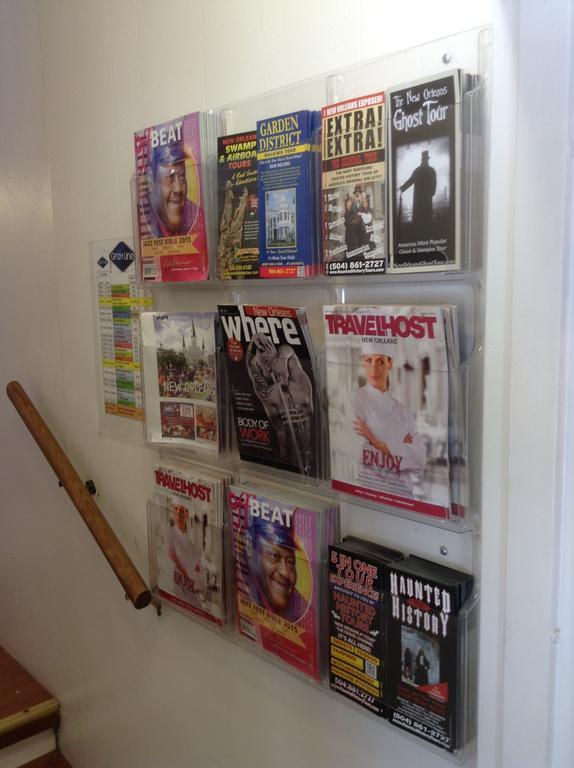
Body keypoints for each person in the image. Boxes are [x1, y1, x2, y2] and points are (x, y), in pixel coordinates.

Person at [349, 338, 425, 495]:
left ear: (390, 363)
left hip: (404, 493)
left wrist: (377, 442)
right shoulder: (356, 399)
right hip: (371, 489)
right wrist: (401, 447)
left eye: (380, 362)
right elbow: (359, 451)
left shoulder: (402, 410)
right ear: (363, 362)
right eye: (369, 360)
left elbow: (419, 457)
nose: (374, 369)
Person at [246, 333, 314, 473]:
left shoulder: (300, 385)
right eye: (261, 363)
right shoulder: (267, 394)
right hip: (286, 463)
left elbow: (287, 350)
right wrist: (255, 340)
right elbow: (251, 365)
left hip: (309, 461)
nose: (266, 365)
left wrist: (281, 359)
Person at [246, 517, 307, 622]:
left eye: (290, 562)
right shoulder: (242, 592)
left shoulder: (303, 613)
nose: (285, 573)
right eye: (274, 555)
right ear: (249, 548)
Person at [147, 140, 194, 237]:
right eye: (170, 177)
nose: (178, 189)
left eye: (182, 176)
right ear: (151, 181)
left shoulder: (197, 220)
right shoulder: (146, 225)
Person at [168, 503, 206, 600]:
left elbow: (199, 573)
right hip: (176, 592)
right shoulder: (169, 534)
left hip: (191, 595)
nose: (178, 513)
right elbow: (170, 560)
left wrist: (178, 562)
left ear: (186, 514)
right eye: (175, 509)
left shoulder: (193, 546)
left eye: (181, 510)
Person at [399, 149, 437, 234]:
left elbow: (410, 180)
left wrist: (402, 188)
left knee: (419, 214)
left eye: (425, 160)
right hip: (426, 198)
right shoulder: (431, 170)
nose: (425, 161)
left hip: (419, 198)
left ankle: (419, 231)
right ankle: (426, 231)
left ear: (423, 160)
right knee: (426, 214)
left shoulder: (418, 170)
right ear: (426, 160)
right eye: (425, 160)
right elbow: (434, 184)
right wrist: (431, 193)